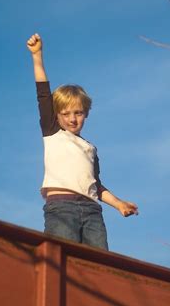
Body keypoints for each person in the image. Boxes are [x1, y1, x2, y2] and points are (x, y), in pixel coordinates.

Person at [27, 32, 138, 250]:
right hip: (61, 207)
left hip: (92, 211)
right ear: (57, 115)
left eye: (78, 113)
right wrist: (37, 56)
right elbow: (42, 92)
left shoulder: (90, 149)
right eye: (66, 113)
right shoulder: (52, 132)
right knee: (62, 252)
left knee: (98, 259)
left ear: (86, 113)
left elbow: (95, 185)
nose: (72, 119)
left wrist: (119, 204)